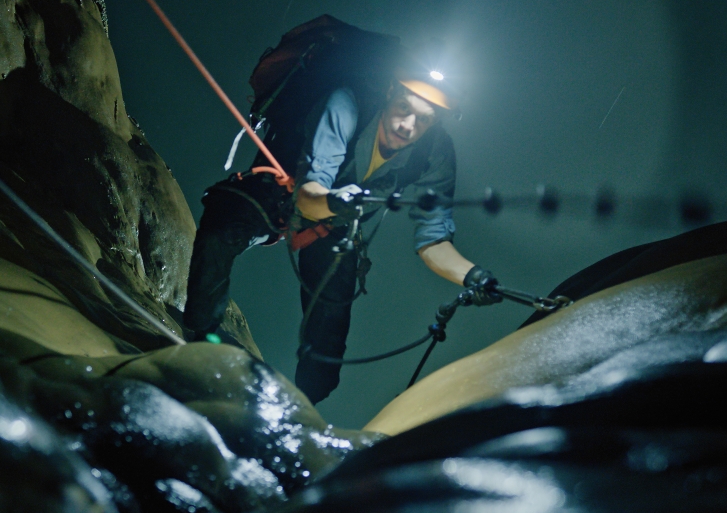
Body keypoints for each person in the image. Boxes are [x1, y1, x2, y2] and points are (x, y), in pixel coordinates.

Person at [184, 55, 499, 403]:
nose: (408, 125)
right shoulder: (346, 105)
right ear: (390, 91)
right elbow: (308, 197)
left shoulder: (435, 152)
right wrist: (335, 201)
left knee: (329, 336)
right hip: (282, 192)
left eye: (424, 119)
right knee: (221, 230)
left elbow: (433, 241)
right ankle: (200, 338)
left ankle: (303, 407)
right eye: (403, 107)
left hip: (334, 224)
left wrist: (472, 276)